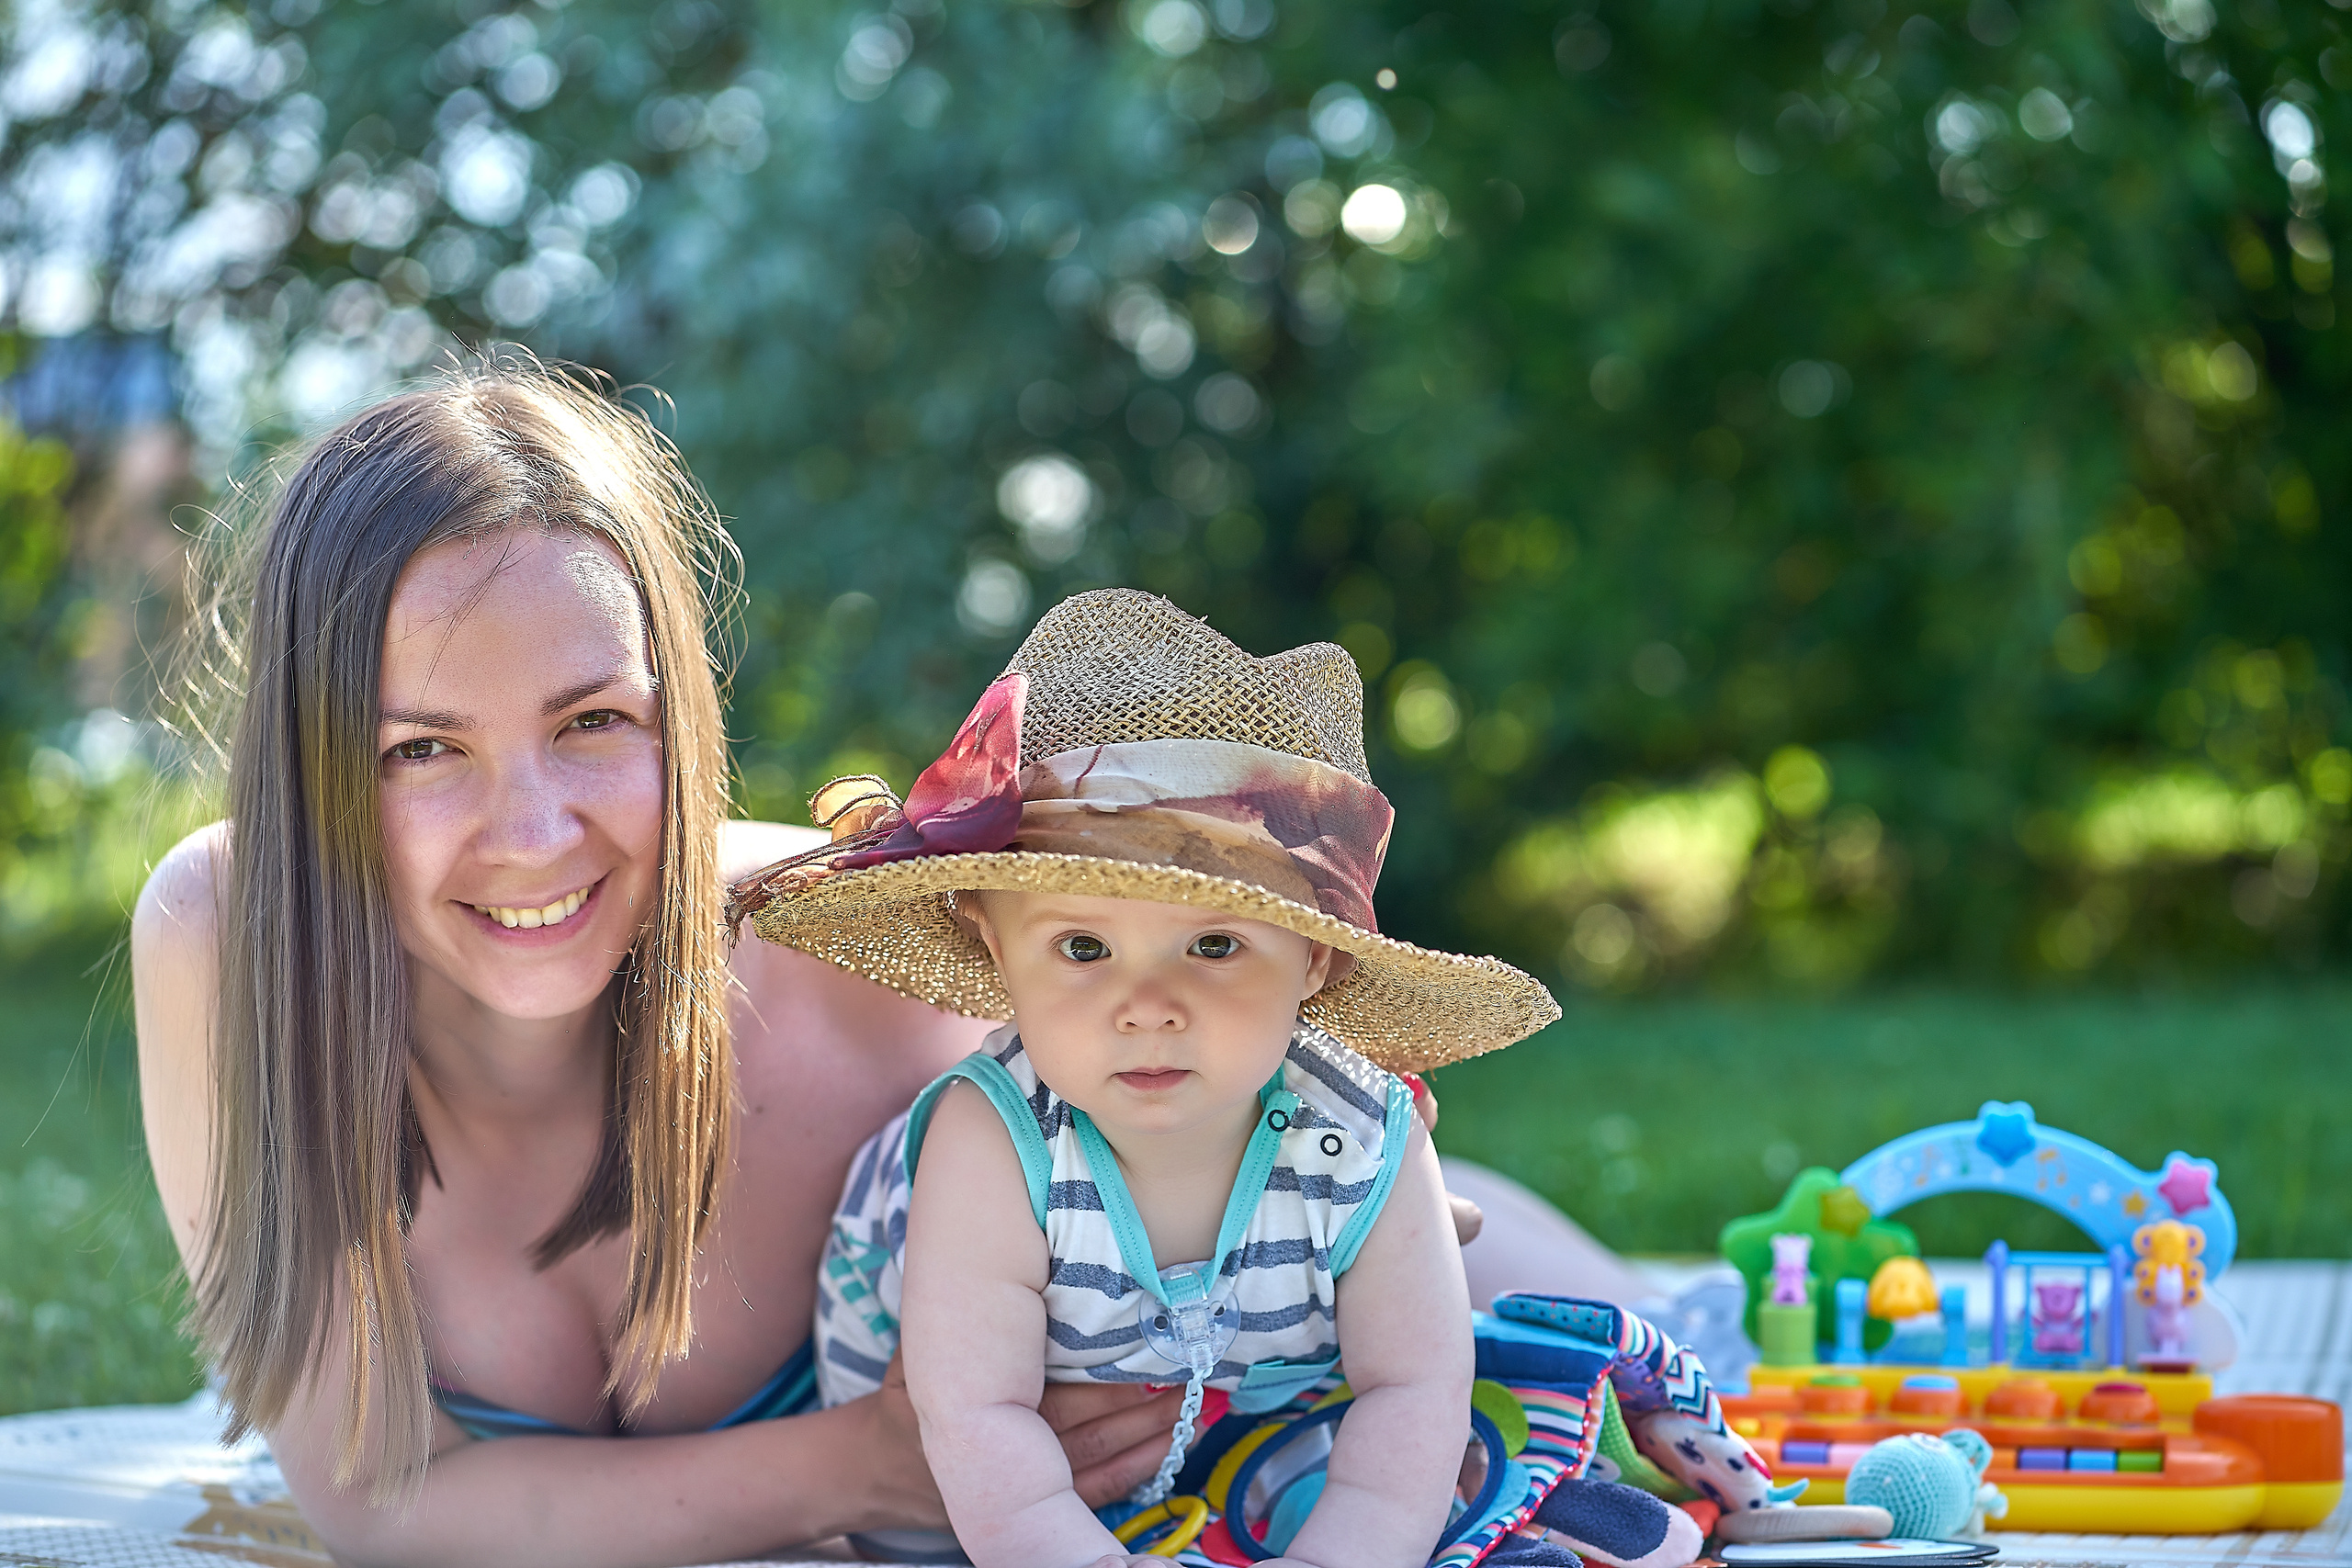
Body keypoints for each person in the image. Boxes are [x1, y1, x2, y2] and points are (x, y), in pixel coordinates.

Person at [130, 363, 1192, 1567]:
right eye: (422, 748)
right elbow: (382, 1500)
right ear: (310, 772)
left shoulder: (871, 952)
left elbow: (1315, 1116)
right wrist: (869, 1461)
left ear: (675, 718)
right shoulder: (231, 940)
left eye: (592, 721)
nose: (531, 835)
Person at [728, 590, 1564, 1567]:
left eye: (1213, 944)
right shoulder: (992, 1141)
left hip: (1245, 1396)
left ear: (1313, 960)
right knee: (925, 1543)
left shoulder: (1364, 1134)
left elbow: (1413, 1385)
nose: (1148, 1003)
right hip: (958, 1469)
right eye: (1082, 947)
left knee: (1385, 1479)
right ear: (997, 954)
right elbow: (975, 1417)